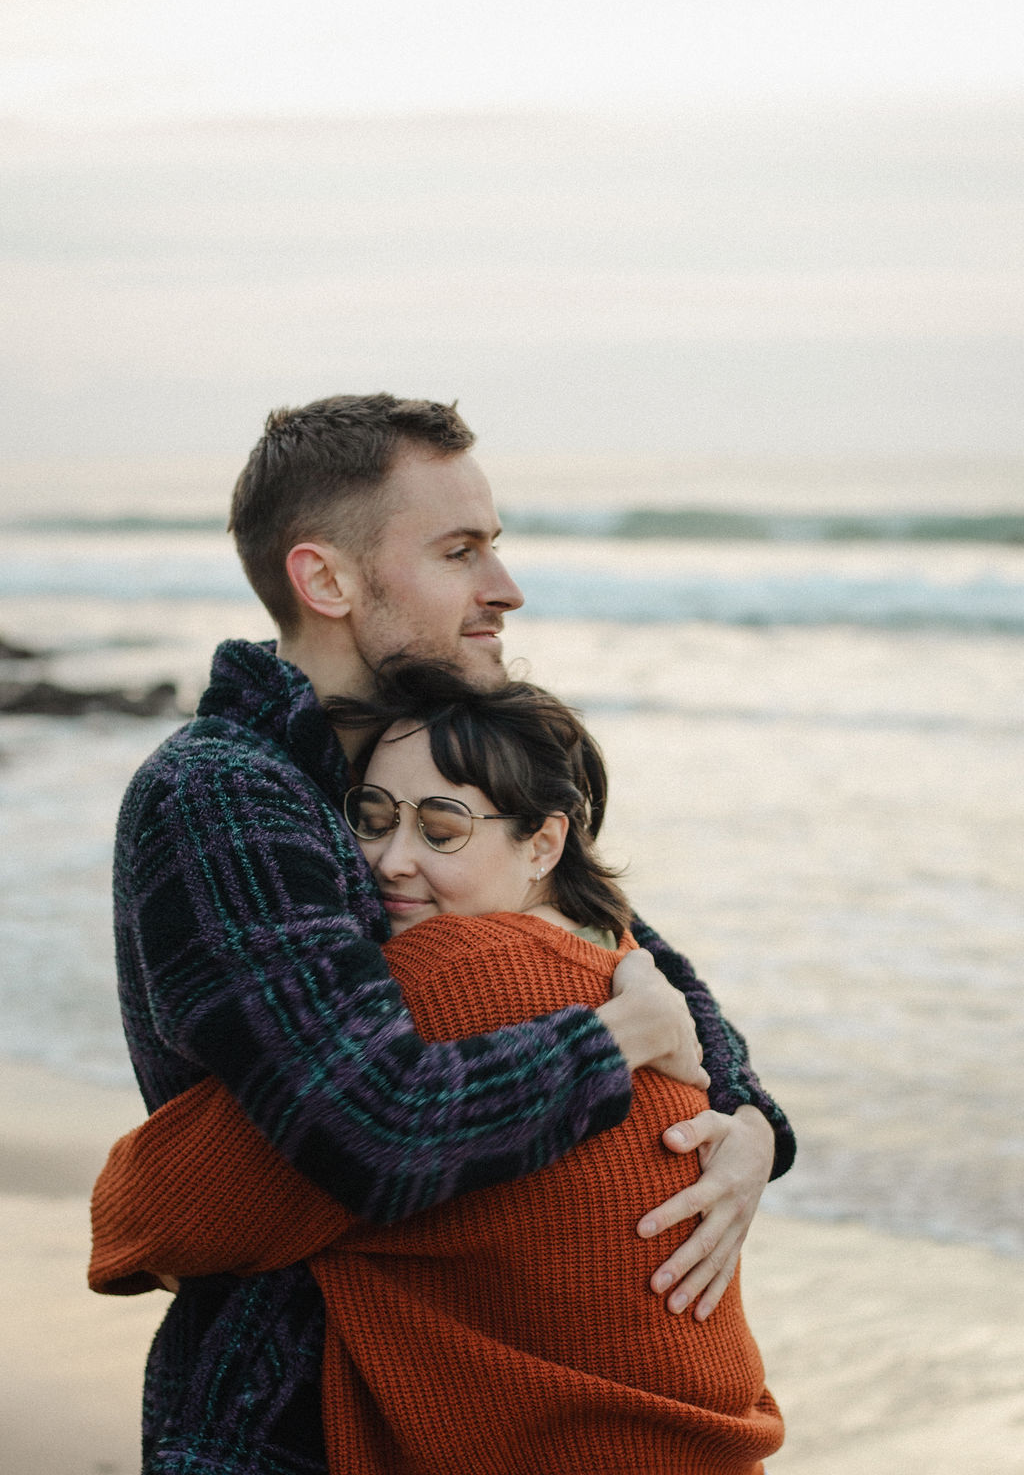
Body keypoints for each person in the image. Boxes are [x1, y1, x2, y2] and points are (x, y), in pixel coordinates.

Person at [109, 392, 795, 1473]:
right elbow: (372, 1131)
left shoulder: (417, 755)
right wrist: (611, 1044)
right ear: (325, 579)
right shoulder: (226, 797)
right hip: (292, 1419)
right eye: (459, 551)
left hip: (475, 1399)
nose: (504, 590)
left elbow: (615, 951)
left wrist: (747, 1126)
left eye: (496, 548)